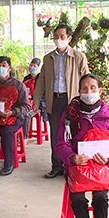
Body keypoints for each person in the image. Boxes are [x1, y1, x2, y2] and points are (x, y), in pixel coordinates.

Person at [55, 74, 109, 218]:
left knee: (101, 196)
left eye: (93, 88)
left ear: (100, 90)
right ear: (79, 91)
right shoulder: (69, 116)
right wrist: (72, 157)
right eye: (84, 89)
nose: (89, 92)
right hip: (76, 167)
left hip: (100, 166)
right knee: (77, 196)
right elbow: (60, 144)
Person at [33, 25, 90, 178]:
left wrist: (89, 97)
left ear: (69, 38)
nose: (58, 39)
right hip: (54, 100)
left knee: (76, 133)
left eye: (62, 36)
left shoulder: (78, 57)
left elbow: (86, 78)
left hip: (73, 101)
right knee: (56, 134)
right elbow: (41, 81)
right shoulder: (48, 58)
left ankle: (74, 166)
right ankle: (57, 166)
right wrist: (37, 100)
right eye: (56, 36)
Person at [21, 58, 48, 140]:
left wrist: (33, 97)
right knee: (18, 112)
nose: (32, 67)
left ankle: (24, 138)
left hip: (38, 104)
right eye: (31, 65)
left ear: (38, 68)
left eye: (34, 66)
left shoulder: (42, 79)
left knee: (27, 115)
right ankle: (18, 135)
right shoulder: (26, 78)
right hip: (27, 102)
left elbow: (45, 94)